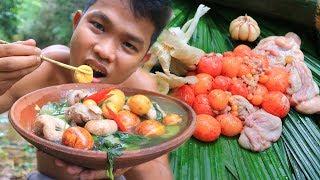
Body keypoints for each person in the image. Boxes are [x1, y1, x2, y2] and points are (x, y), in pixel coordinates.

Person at [0, 0, 173, 179]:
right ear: (76, 23)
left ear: (142, 60)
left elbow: (158, 170)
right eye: (98, 26)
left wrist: (128, 160)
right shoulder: (44, 68)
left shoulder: (141, 92)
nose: (104, 51)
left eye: (129, 45)